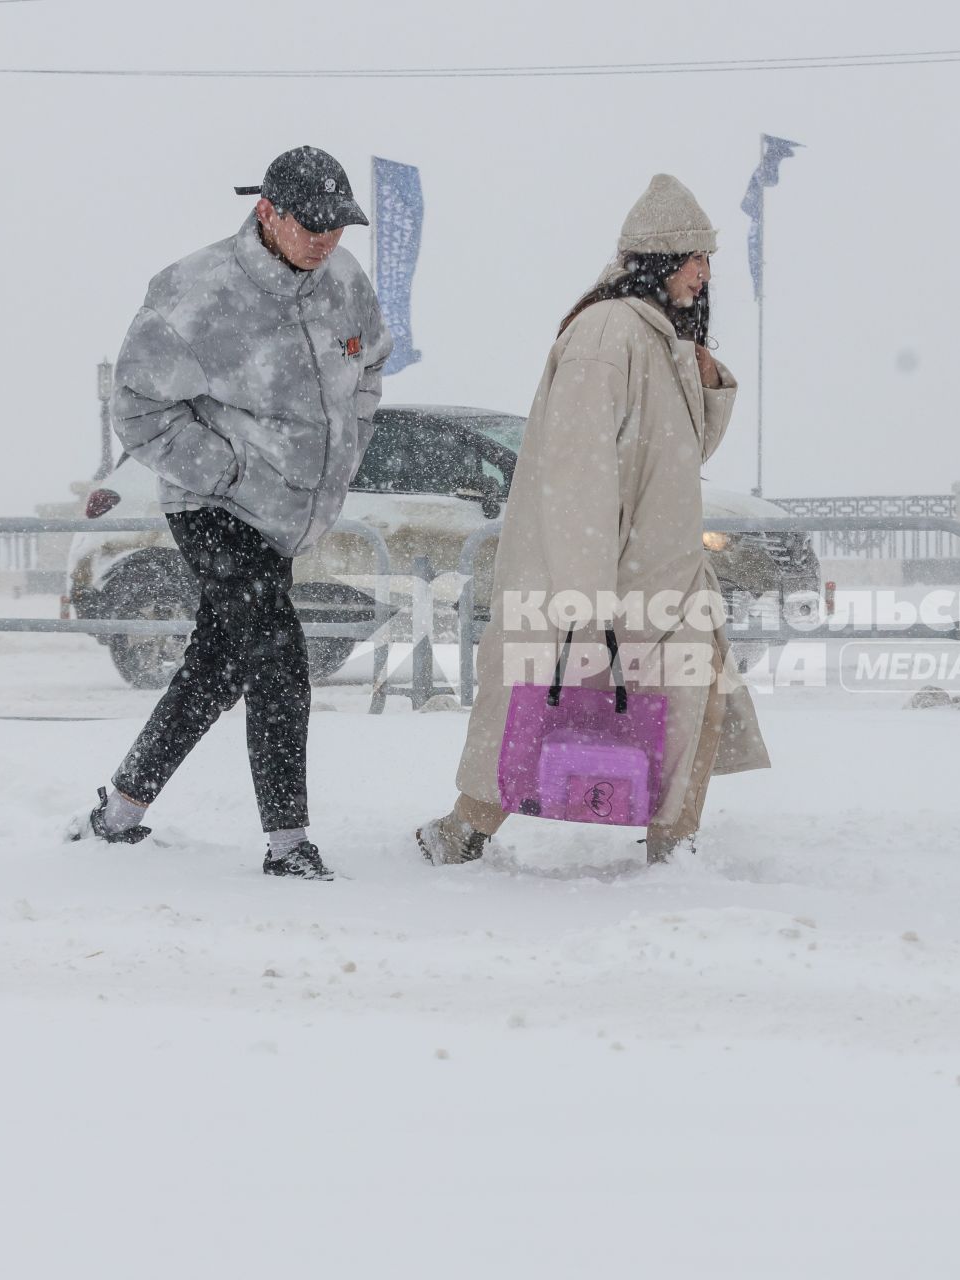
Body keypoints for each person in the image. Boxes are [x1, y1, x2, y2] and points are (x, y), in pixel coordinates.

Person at [415, 174, 771, 868]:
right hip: (620, 576)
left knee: (695, 704)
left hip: (664, 571)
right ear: (662, 257)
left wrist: (704, 377)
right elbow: (577, 470)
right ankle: (464, 830)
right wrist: (584, 591)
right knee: (540, 710)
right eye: (697, 257)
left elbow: (681, 453)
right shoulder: (607, 337)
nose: (705, 274)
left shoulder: (658, 338)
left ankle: (673, 845)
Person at [66, 145, 389, 881]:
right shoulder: (196, 293)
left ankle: (118, 811)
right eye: (313, 225)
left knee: (215, 666)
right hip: (212, 505)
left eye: (339, 226)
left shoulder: (342, 280)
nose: (328, 240)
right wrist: (231, 470)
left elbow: (369, 363)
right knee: (277, 655)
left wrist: (352, 438)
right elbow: (138, 409)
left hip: (287, 509)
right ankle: (288, 845)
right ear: (267, 212)